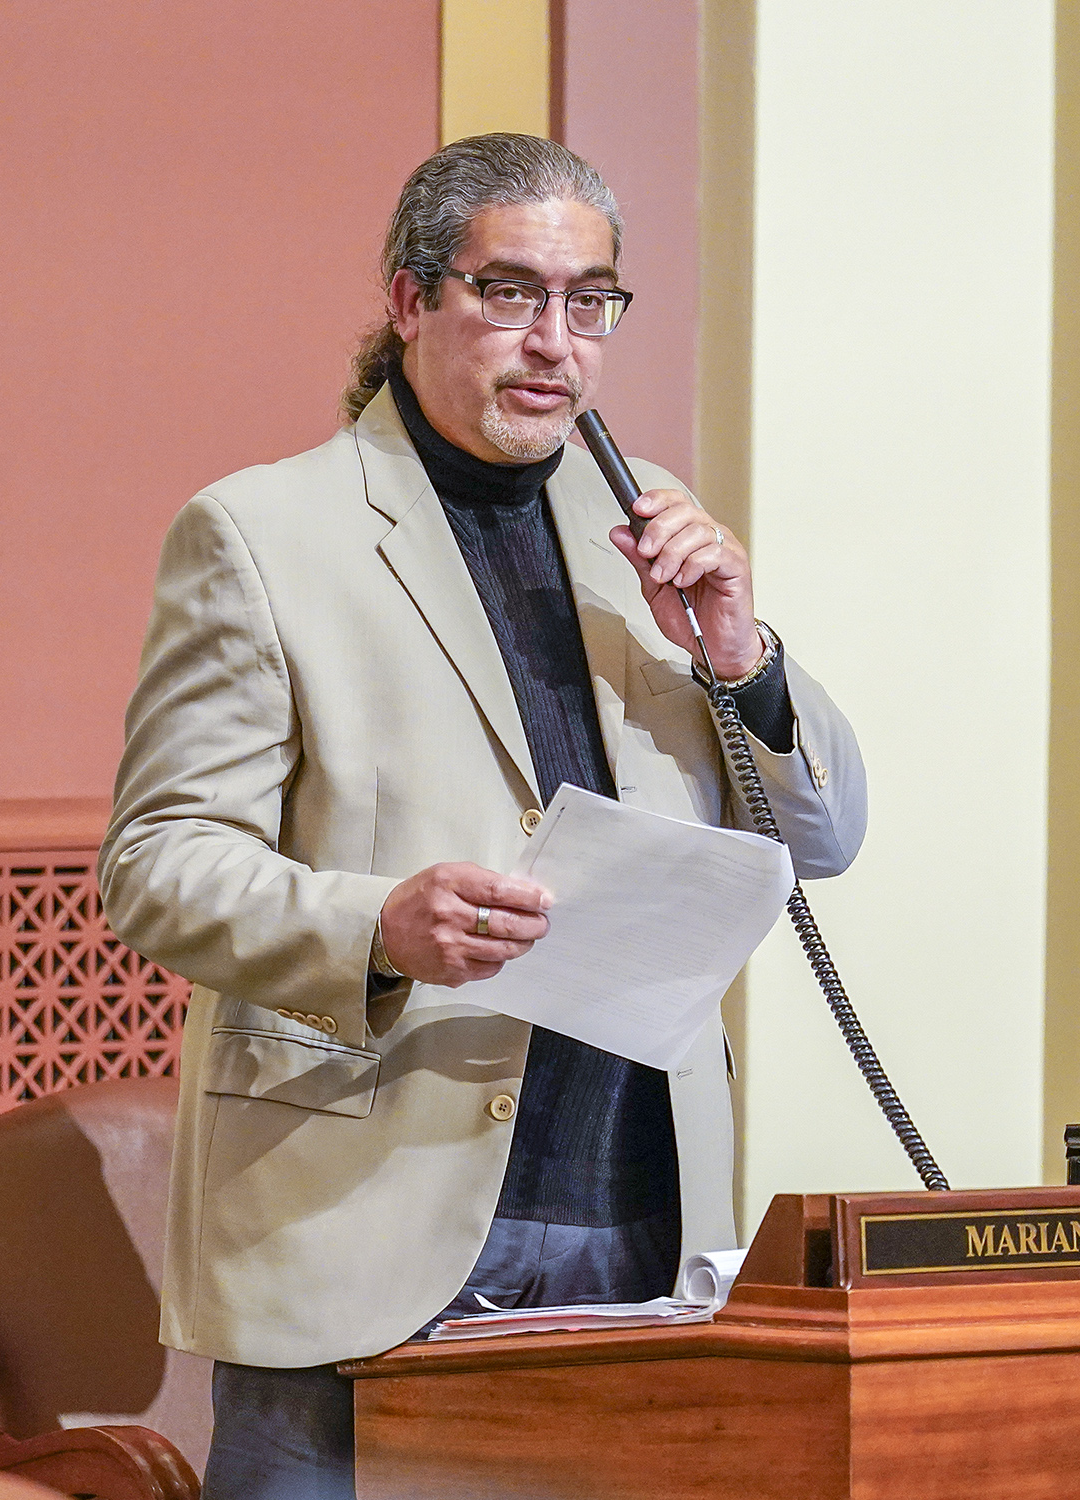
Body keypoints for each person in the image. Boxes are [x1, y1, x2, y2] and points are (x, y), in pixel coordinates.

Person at [100, 133, 866, 1500]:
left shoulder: (651, 538)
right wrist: (375, 925)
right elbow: (156, 867)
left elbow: (822, 841)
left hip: (633, 1208)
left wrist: (742, 657)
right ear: (411, 303)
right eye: (509, 293)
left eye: (591, 302)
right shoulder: (262, 534)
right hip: (366, 1215)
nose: (554, 343)